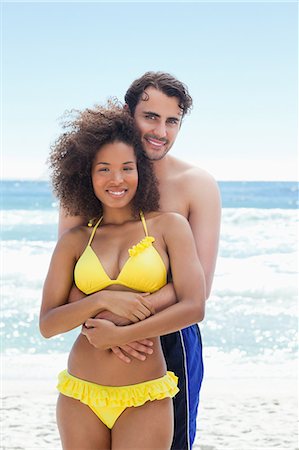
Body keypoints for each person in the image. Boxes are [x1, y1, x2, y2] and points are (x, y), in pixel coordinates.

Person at [58, 72, 221, 450]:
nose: (160, 131)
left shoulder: (197, 184)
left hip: (170, 337)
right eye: (150, 116)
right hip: (95, 332)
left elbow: (198, 288)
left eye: (172, 121)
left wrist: (126, 322)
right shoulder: (93, 182)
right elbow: (68, 270)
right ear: (127, 114)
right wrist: (103, 321)